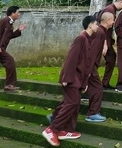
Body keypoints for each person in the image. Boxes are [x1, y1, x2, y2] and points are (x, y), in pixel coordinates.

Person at [42, 15, 100, 146]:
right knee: (72, 103)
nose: (98, 26)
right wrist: (66, 78)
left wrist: (85, 82)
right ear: (90, 25)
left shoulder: (89, 40)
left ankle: (66, 130)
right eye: (96, 23)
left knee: (75, 103)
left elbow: (87, 64)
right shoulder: (81, 38)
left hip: (79, 79)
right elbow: (71, 59)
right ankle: (52, 129)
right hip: (71, 78)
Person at [82, 11, 115, 123]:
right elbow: (92, 51)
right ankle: (92, 113)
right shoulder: (100, 32)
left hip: (90, 65)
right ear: (107, 21)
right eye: (112, 19)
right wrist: (90, 69)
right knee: (97, 88)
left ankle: (56, 115)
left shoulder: (100, 31)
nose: (114, 22)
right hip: (90, 66)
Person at [98, 0, 122, 89]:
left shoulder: (111, 9)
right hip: (104, 40)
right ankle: (99, 83)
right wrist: (104, 43)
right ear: (121, 3)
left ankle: (104, 83)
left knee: (111, 59)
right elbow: (101, 25)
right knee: (100, 61)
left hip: (107, 39)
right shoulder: (109, 10)